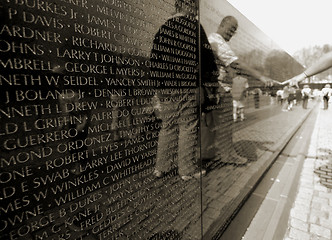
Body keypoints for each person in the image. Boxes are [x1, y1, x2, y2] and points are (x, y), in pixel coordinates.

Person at [150, 0, 218, 180]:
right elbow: (207, 59)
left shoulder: (163, 28)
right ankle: (187, 170)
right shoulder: (194, 27)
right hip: (188, 86)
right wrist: (210, 80)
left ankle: (161, 168)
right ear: (185, 6)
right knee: (188, 126)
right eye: (195, 7)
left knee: (168, 126)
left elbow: (154, 61)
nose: (196, 12)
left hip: (166, 88)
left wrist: (159, 88)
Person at [205, 15, 276, 165]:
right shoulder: (217, 40)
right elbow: (238, 64)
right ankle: (227, 155)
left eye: (234, 32)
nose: (231, 34)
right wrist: (261, 77)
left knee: (212, 125)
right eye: (230, 30)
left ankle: (209, 153)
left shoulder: (214, 40)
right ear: (222, 24)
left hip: (214, 88)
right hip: (220, 89)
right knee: (225, 124)